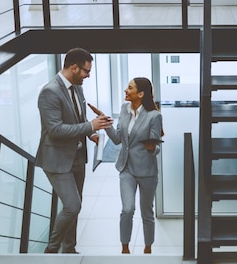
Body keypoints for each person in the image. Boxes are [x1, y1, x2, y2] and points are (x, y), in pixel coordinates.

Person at [36, 48, 114, 254]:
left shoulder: (76, 86)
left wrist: (91, 135)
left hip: (77, 157)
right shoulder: (49, 92)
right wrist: (90, 126)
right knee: (72, 206)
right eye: (86, 71)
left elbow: (77, 118)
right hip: (58, 160)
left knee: (74, 208)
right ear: (73, 67)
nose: (88, 76)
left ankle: (69, 251)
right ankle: (51, 250)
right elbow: (55, 130)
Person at [104, 77, 163, 254]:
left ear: (141, 93)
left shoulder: (154, 115)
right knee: (127, 209)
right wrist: (106, 124)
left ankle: (147, 248)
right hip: (126, 168)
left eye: (130, 88)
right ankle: (125, 248)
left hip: (146, 170)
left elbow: (156, 146)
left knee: (147, 212)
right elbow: (116, 139)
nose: (125, 90)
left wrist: (153, 149)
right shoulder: (124, 109)